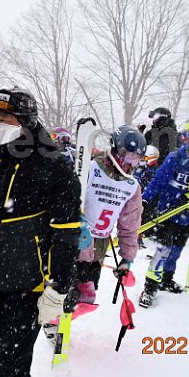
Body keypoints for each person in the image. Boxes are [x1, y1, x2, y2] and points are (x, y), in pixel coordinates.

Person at [0, 87, 81, 377]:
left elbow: (66, 233)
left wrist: (58, 287)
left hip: (26, 288)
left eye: (3, 118)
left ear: (25, 120)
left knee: (9, 371)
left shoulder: (54, 165)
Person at [138, 121, 189, 308]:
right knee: (163, 250)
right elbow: (158, 181)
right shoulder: (176, 158)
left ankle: (166, 280)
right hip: (167, 214)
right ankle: (149, 288)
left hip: (188, 217)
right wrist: (144, 200)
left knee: (175, 251)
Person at [65, 126, 144, 323]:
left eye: (135, 159)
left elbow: (129, 225)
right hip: (73, 244)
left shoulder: (131, 187)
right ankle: (52, 324)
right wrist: (74, 224)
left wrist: (127, 259)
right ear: (115, 149)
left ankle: (57, 325)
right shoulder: (90, 169)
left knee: (87, 298)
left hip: (97, 249)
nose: (129, 164)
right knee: (64, 293)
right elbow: (66, 201)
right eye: (127, 156)